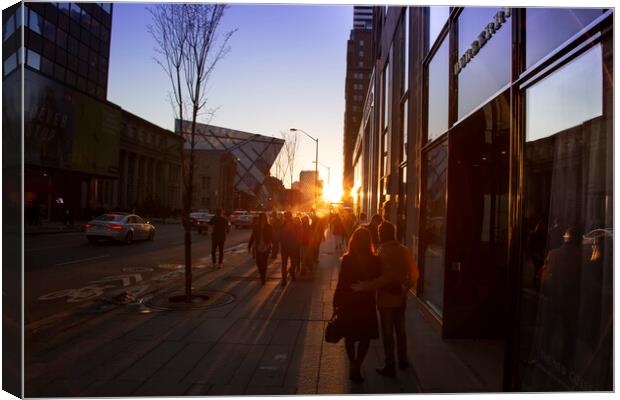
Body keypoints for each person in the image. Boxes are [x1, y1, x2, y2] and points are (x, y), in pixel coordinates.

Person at [352, 221, 419, 377]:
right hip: (401, 299)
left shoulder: (381, 253)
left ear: (382, 235)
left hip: (385, 301)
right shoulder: (405, 250)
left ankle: (390, 365)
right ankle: (403, 360)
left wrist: (365, 286)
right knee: (401, 331)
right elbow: (415, 274)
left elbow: (384, 279)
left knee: (388, 334)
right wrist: (405, 287)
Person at [333, 227, 381, 383]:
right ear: (369, 242)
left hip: (349, 303)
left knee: (350, 335)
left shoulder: (347, 259)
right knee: (364, 336)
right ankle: (358, 364)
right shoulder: (375, 260)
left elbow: (341, 283)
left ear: (353, 241)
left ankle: (352, 362)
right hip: (366, 303)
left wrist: (336, 301)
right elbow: (377, 281)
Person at [248, 213, 273, 285]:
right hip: (258, 246)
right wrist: (249, 245)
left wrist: (272, 244)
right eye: (261, 218)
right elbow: (253, 236)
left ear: (266, 219)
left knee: (264, 263)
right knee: (258, 262)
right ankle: (261, 273)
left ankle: (263, 277)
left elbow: (272, 236)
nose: (262, 220)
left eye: (264, 218)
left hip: (266, 247)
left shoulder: (269, 226)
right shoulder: (256, 226)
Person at [278, 211, 301, 285]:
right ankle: (284, 279)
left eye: (288, 216)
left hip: (293, 247)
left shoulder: (295, 225)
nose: (286, 218)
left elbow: (298, 235)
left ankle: (292, 272)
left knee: (293, 263)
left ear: (290, 217)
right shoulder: (282, 225)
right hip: (284, 248)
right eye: (286, 217)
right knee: (284, 265)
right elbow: (280, 236)